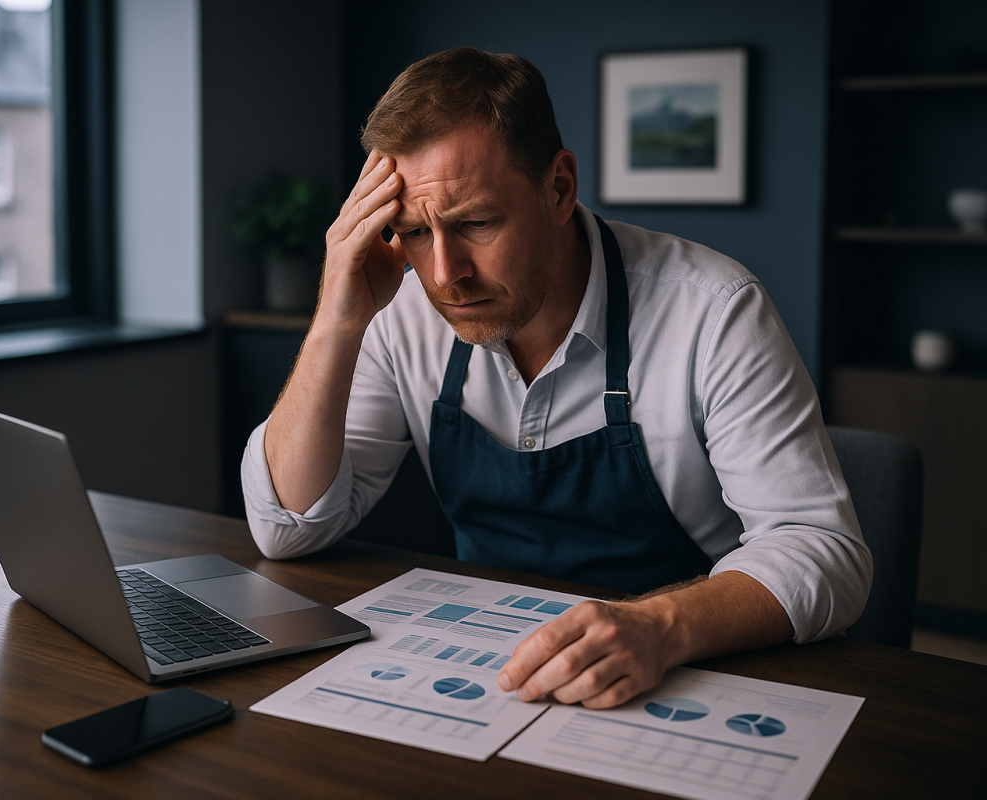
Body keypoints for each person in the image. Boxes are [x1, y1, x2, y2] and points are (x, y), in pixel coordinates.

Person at [242, 47, 871, 710]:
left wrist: (659, 627)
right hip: (491, 679)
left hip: (684, 675)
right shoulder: (399, 311)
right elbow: (287, 529)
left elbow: (823, 551)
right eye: (413, 232)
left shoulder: (713, 309)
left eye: (476, 223)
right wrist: (334, 322)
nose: (444, 273)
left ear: (559, 188)